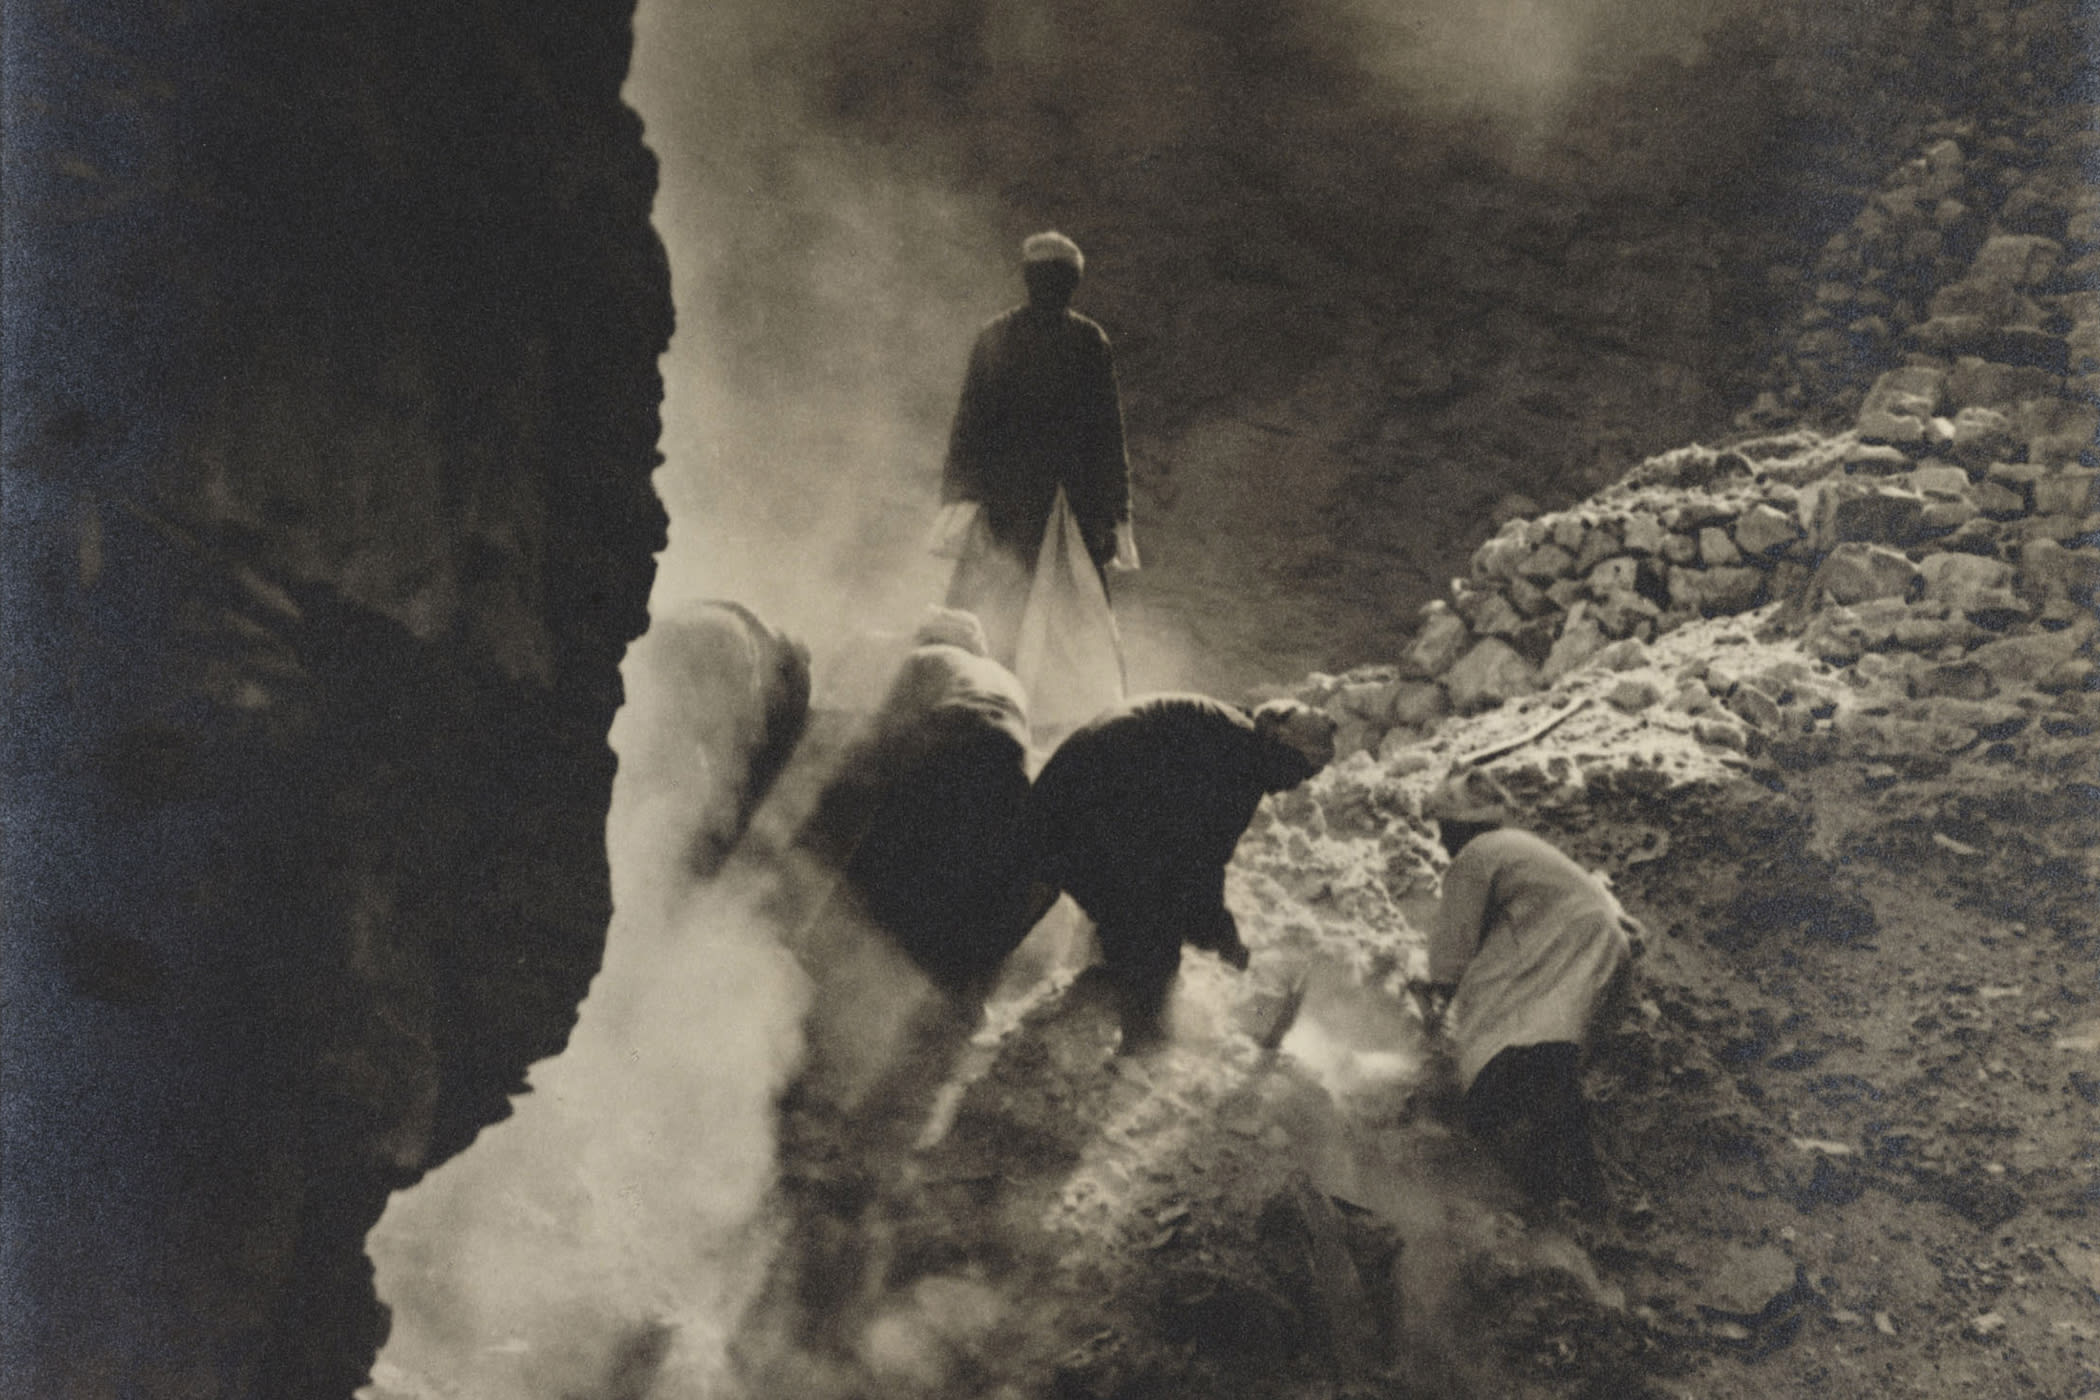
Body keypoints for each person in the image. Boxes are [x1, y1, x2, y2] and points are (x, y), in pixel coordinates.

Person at [1030, 694, 1338, 1053]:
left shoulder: (1232, 732)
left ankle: (1111, 978)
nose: (1297, 784)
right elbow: (1199, 871)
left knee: (1139, 898)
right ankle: (1143, 1041)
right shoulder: (1238, 765)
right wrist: (1225, 940)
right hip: (1089, 803)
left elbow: (1187, 852)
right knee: (1157, 921)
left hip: (1065, 792)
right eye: (1302, 770)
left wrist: (1212, 930)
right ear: (1281, 748)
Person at [797, 607, 1055, 1006]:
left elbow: (881, 743)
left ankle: (820, 967)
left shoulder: (923, 660)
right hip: (1010, 768)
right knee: (954, 871)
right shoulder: (1007, 680)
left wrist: (826, 824)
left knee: (881, 854)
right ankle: (941, 994)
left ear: (931, 640)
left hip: (954, 740)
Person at [1414, 769, 1639, 1210]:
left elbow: (1454, 943)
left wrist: (1436, 1003)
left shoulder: (1477, 854)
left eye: (1444, 831)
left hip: (1564, 942)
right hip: (1601, 942)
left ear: (1457, 827)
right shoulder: (1518, 846)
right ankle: (1567, 1183)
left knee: (1520, 1048)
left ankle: (1559, 1187)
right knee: (1547, 1054)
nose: (1442, 844)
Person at [936, 231, 1137, 674]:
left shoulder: (1087, 343)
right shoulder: (1008, 338)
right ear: (1030, 281)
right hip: (1009, 506)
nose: (1051, 288)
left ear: (1071, 284)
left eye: (1061, 280)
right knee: (991, 610)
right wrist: (962, 505)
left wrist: (1112, 518)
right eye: (1044, 278)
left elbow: (1106, 435)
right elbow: (971, 426)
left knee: (1065, 613)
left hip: (1067, 510)